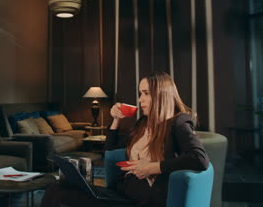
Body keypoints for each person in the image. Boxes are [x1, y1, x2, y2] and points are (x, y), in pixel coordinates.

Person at [41, 71, 210, 206]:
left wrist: (153, 167)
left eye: (145, 93)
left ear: (161, 95)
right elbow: (110, 150)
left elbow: (200, 159)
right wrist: (116, 120)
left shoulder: (178, 122)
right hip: (121, 191)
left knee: (62, 196)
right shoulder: (143, 123)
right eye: (140, 93)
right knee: (56, 188)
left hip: (142, 199)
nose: (139, 99)